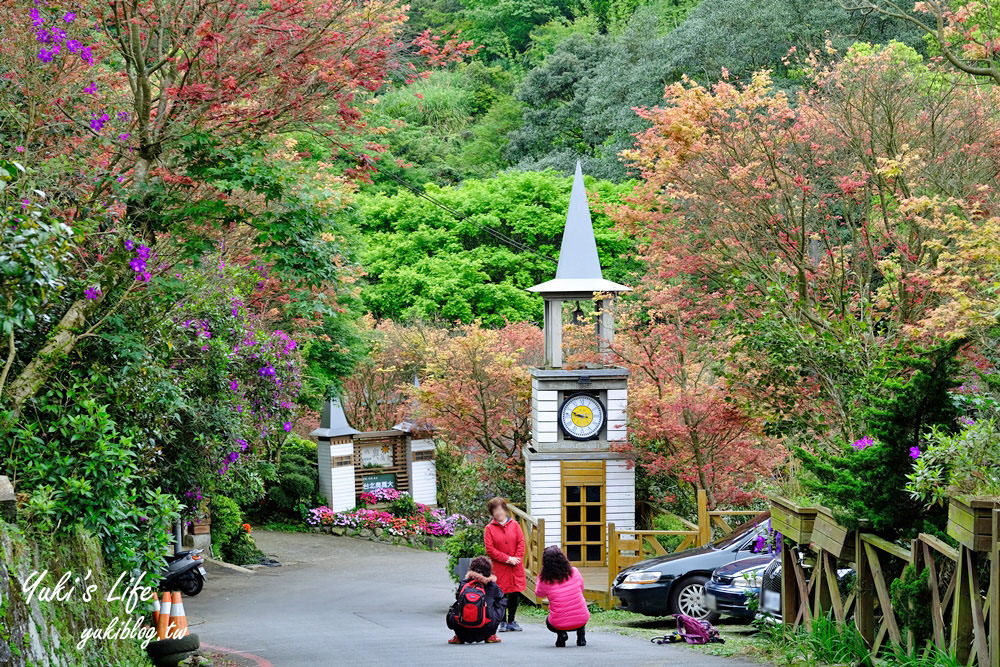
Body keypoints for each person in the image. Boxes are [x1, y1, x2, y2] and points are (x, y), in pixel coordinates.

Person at [483, 496, 526, 632]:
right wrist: (508, 559)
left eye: (501, 509)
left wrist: (517, 558)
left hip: (515, 566)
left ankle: (511, 620)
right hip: (500, 567)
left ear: (505, 510)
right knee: (500, 594)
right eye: (495, 510)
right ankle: (501, 621)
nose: (498, 512)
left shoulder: (515, 525)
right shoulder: (489, 528)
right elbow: (490, 549)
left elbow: (521, 542)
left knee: (514, 593)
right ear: (492, 512)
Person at [534, 546, 589, 647]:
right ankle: (581, 637)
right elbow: (581, 588)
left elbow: (539, 594)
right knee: (578, 612)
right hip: (582, 619)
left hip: (559, 623)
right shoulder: (574, 571)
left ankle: (561, 634)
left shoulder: (544, 579)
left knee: (549, 622)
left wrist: (540, 578)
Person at [447, 556, 507, 644]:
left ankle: (458, 637)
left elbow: (457, 598)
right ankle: (491, 636)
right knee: (502, 601)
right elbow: (501, 597)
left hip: (462, 631)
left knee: (457, 605)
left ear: (471, 568)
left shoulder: (464, 583)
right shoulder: (492, 586)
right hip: (486, 630)